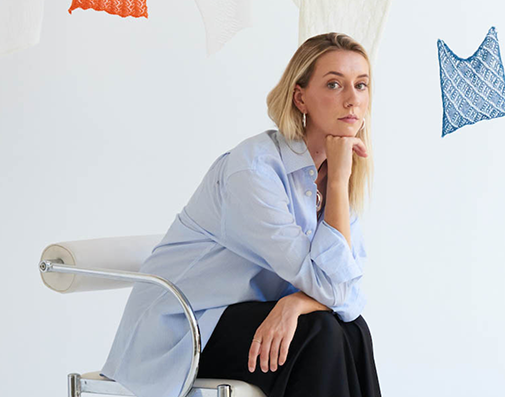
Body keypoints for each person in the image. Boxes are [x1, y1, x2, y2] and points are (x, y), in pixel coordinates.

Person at [100, 32, 380, 397]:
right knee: (322, 333)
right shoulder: (253, 170)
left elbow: (350, 293)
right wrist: (340, 180)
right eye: (334, 84)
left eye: (361, 85)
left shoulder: (331, 171)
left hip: (247, 316)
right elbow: (333, 286)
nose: (352, 100)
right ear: (301, 98)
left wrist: (296, 302)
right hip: (185, 328)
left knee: (351, 329)